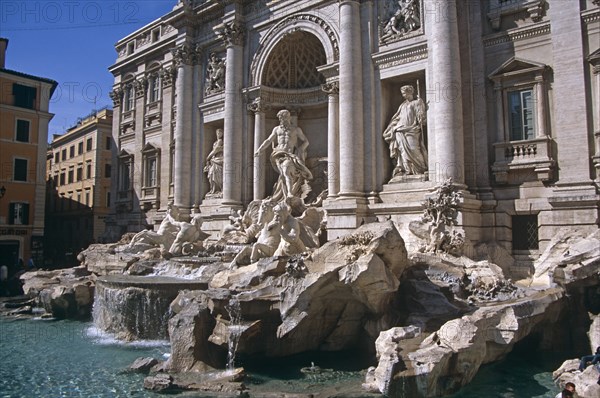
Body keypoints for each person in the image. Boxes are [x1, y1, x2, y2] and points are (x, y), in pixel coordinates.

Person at [255, 109, 312, 201]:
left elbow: (306, 142)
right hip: (277, 154)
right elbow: (269, 140)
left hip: (289, 154)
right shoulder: (277, 129)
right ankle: (284, 194)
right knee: (283, 174)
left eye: (284, 118)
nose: (282, 120)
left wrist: (300, 149)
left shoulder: (296, 129)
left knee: (286, 171)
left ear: (289, 117)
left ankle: (289, 193)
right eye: (281, 118)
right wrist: (260, 149)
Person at [382, 84, 428, 177]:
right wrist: (393, 126)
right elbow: (397, 117)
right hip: (400, 130)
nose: (403, 95)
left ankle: (421, 169)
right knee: (402, 151)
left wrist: (421, 105)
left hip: (412, 130)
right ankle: (407, 171)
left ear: (410, 92)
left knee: (414, 149)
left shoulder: (416, 103)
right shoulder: (402, 105)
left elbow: (421, 118)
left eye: (404, 93)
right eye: (402, 93)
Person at [204, 128, 224, 196]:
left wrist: (208, 157)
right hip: (214, 160)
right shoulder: (215, 142)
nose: (218, 134)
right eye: (217, 133)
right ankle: (214, 190)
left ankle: (219, 189)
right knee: (211, 174)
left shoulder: (220, 141)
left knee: (218, 175)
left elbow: (215, 150)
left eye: (220, 133)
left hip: (219, 159)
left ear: (222, 134)